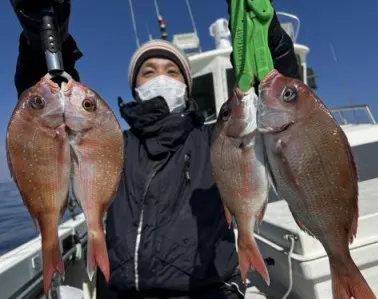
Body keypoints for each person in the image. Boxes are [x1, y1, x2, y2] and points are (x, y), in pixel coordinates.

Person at [10, 0, 300, 298]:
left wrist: (267, 36)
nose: (160, 77)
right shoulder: (111, 145)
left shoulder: (216, 140)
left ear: (187, 85)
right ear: (134, 85)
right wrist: (42, 38)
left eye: (172, 71)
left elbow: (278, 97)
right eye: (148, 71)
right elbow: (45, 109)